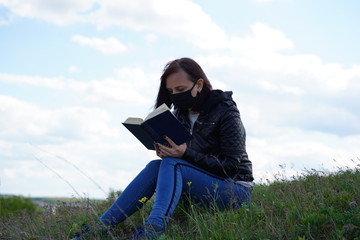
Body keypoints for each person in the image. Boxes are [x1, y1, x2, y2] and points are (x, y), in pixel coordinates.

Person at [72, 57, 254, 239]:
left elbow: (231, 166)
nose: (175, 95)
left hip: (234, 190)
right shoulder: (179, 114)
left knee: (172, 164)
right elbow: (188, 161)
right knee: (155, 166)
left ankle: (154, 229)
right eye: (171, 91)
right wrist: (168, 150)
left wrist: (184, 154)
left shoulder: (226, 111)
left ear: (199, 85)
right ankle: (97, 229)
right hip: (200, 186)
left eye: (180, 89)